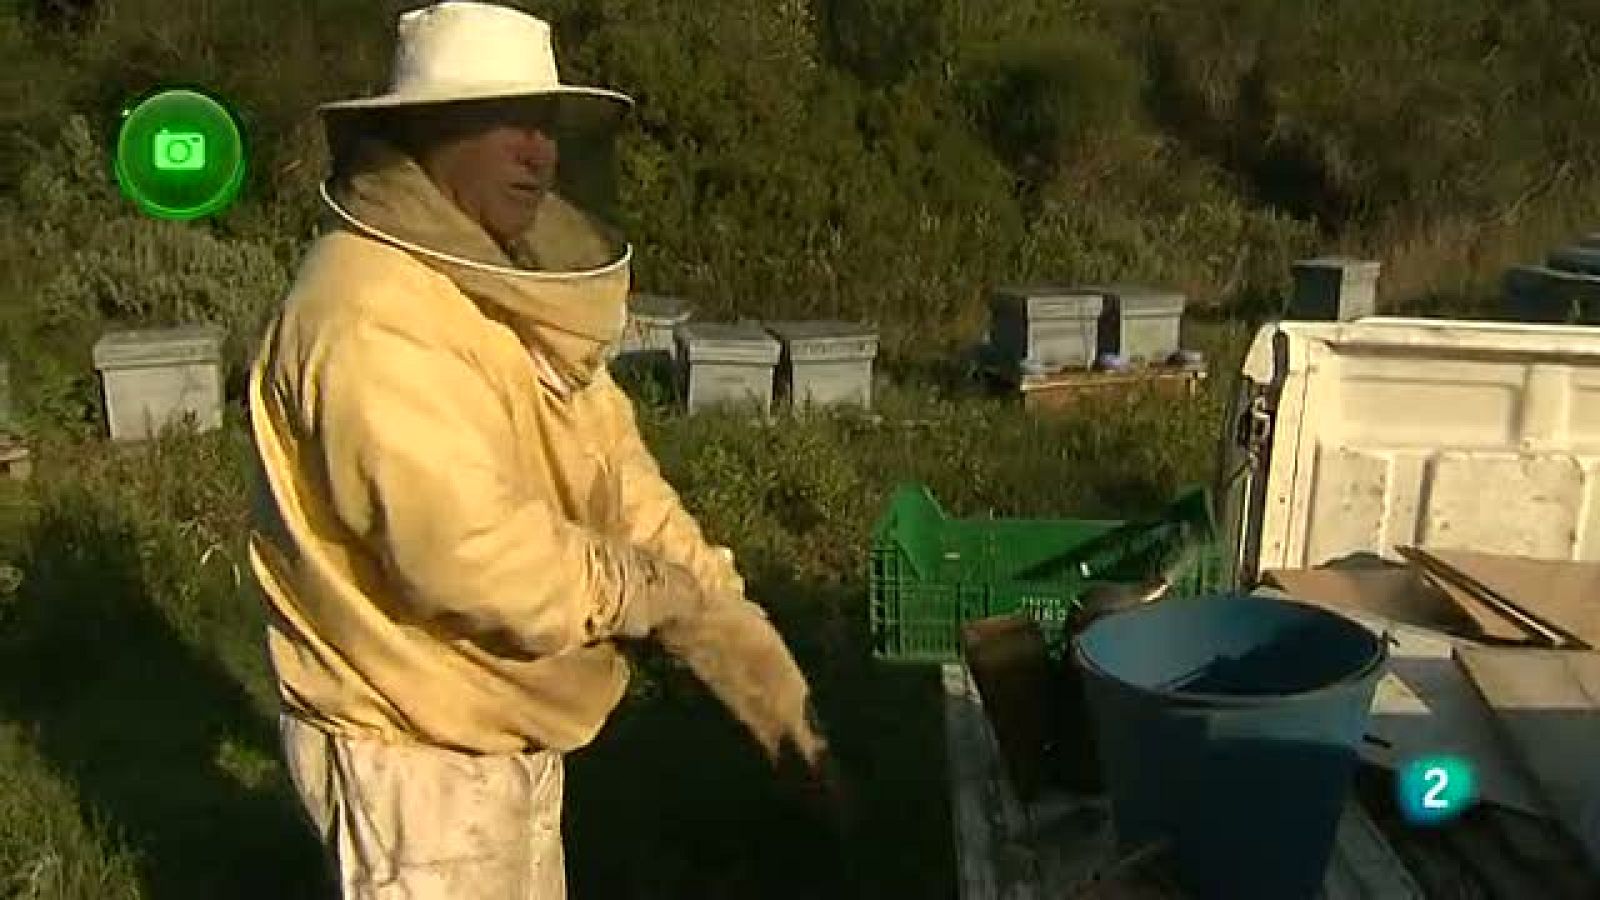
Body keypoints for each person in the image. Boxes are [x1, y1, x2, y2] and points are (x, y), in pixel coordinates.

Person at [246, 4, 835, 897]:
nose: (539, 151)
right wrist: (644, 591)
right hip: (413, 756)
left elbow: (615, 477)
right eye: (503, 122)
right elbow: (472, 557)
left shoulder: (495, 285)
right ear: (425, 133)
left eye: (547, 124)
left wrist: (744, 649)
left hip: (499, 722)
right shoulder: (367, 315)